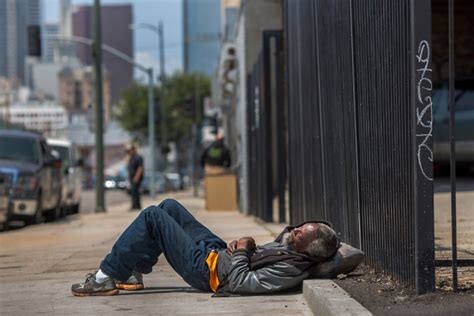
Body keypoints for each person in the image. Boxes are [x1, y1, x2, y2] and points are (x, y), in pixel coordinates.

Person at [71, 198, 340, 296]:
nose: (295, 229)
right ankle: (133, 272)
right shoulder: (291, 249)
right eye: (301, 226)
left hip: (204, 271)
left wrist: (244, 250)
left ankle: (104, 277)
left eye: (302, 233)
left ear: (309, 249)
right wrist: (243, 245)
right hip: (215, 252)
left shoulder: (290, 269)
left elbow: (240, 282)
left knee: (153, 216)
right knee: (169, 207)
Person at [126, 144, 144, 211]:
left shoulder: (138, 157)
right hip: (132, 178)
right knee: (133, 192)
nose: (129, 153)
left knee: (135, 192)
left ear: (133, 150)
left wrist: (136, 177)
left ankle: (136, 206)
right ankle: (135, 205)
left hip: (136, 178)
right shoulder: (131, 158)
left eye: (130, 151)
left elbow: (140, 168)